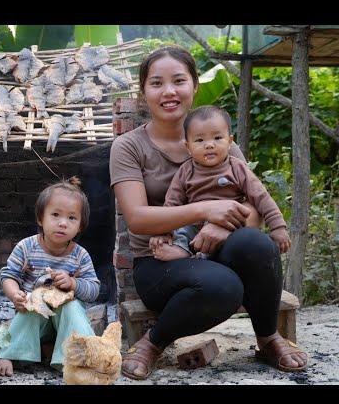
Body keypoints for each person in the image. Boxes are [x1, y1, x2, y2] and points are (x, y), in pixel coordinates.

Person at [109, 45, 308, 380]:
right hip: (160, 263)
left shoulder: (221, 142)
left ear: (194, 85)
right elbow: (138, 219)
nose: (169, 91)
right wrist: (204, 210)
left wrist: (223, 228)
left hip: (217, 252)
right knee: (225, 287)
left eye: (178, 80)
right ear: (144, 92)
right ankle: (151, 344)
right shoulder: (129, 147)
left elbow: (254, 206)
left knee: (258, 245)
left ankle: (268, 338)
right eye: (157, 83)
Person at [149, 105, 291, 262]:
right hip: (195, 227)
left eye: (217, 138)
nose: (209, 145)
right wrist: (164, 233)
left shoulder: (237, 168)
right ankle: (184, 250)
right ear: (188, 147)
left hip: (228, 226)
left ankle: (202, 255)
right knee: (182, 229)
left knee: (245, 237)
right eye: (199, 140)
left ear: (230, 141)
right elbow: (172, 205)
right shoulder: (185, 171)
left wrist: (278, 227)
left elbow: (262, 198)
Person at [0, 176, 100, 376]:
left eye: (72, 218)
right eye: (55, 215)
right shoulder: (26, 247)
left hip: (65, 323)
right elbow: (8, 275)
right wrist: (16, 295)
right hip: (34, 321)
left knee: (73, 306)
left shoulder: (80, 255)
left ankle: (77, 360)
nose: (63, 223)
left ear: (81, 225)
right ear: (40, 218)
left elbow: (94, 289)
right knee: (30, 304)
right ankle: (8, 353)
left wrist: (74, 283)